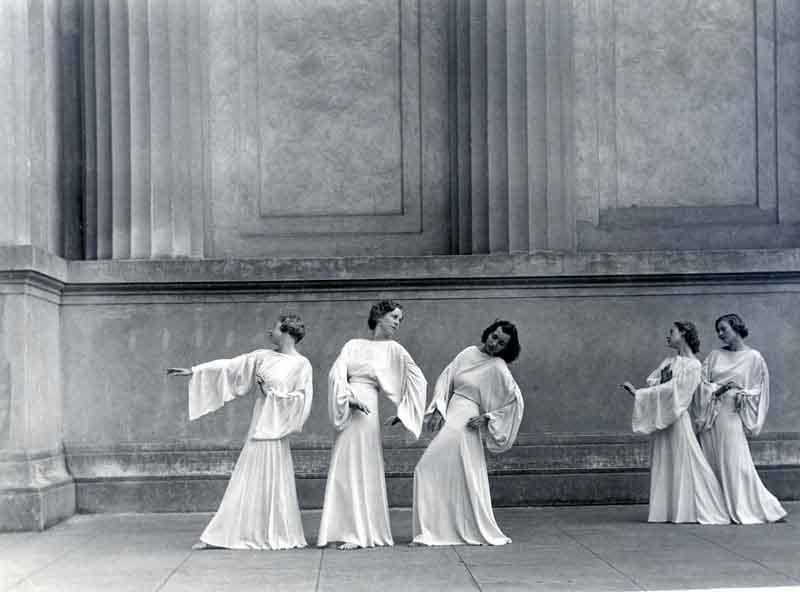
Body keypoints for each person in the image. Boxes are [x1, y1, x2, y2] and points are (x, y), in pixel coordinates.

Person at [166, 314, 313, 549]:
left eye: (274, 328)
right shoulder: (262, 356)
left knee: (272, 473)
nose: (269, 332)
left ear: (287, 332)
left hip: (274, 427)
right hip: (259, 423)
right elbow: (230, 365)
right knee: (247, 474)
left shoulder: (301, 365)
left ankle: (273, 532)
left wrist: (272, 394)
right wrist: (195, 370)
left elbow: (302, 399)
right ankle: (224, 534)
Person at [317, 300, 427, 550]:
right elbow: (336, 374)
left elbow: (417, 380)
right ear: (379, 316)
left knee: (363, 464)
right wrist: (348, 397)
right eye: (395, 317)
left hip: (369, 409)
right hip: (349, 405)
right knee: (344, 465)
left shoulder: (395, 350)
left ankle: (360, 534)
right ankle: (343, 529)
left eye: (401, 319)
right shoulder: (353, 345)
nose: (398, 322)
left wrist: (405, 412)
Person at [412, 320, 524, 546]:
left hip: (465, 422)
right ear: (488, 333)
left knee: (425, 469)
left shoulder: (497, 367)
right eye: (494, 337)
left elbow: (515, 402)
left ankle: (434, 532)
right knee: (452, 474)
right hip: (452, 414)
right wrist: (438, 409)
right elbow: (446, 378)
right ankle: (437, 530)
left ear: (506, 348)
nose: (495, 344)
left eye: (501, 343)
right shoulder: (468, 353)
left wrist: (489, 417)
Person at [620, 322, 729, 524]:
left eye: (672, 332)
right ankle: (668, 510)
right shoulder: (668, 362)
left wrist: (641, 393)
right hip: (664, 420)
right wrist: (649, 390)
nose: (667, 336)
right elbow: (656, 382)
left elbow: (679, 392)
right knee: (665, 462)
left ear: (684, 333)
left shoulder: (694, 365)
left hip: (678, 419)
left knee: (687, 462)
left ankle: (695, 508)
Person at [691, 313, 787, 524]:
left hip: (731, 414)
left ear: (736, 328)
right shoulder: (715, 356)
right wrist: (720, 388)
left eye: (724, 329)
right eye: (718, 330)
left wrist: (741, 393)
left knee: (736, 462)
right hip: (712, 415)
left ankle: (755, 506)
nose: (720, 334)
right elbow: (701, 383)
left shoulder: (754, 358)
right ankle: (718, 509)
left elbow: (758, 390)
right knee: (712, 461)